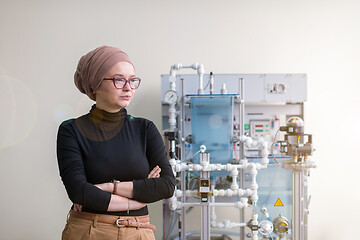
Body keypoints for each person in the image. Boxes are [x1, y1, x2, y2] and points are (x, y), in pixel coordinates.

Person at [56, 46, 175, 240]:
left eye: (132, 80)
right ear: (95, 84)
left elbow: (166, 186)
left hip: (139, 232)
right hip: (89, 231)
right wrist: (136, 199)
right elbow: (79, 192)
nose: (128, 87)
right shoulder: (71, 130)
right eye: (119, 80)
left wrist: (108, 187)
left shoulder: (145, 129)